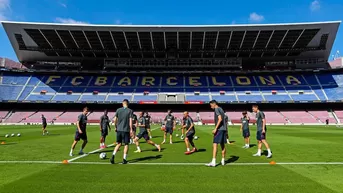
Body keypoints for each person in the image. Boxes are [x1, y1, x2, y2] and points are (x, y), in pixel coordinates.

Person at [110, 99, 133, 164]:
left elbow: (115, 120)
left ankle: (113, 155)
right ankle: (124, 159)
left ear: (123, 103)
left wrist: (115, 127)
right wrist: (131, 129)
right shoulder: (130, 111)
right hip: (126, 130)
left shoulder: (118, 110)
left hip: (119, 130)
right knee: (126, 144)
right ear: (127, 104)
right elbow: (130, 121)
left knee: (119, 144)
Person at [206, 100, 227, 167]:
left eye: (211, 105)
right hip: (223, 129)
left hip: (219, 129)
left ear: (214, 104)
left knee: (215, 144)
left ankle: (213, 161)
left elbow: (220, 119)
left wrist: (215, 128)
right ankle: (223, 160)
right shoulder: (221, 109)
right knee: (222, 145)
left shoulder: (217, 109)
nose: (211, 106)